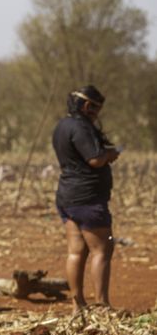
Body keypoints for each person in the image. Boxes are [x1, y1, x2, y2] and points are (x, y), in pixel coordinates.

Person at [52, 85, 119, 313]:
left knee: (76, 251)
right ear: (88, 106)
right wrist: (110, 154)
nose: (97, 114)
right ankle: (102, 306)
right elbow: (94, 160)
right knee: (103, 249)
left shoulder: (62, 125)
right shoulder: (81, 127)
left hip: (67, 197)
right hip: (88, 198)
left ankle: (77, 305)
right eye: (96, 109)